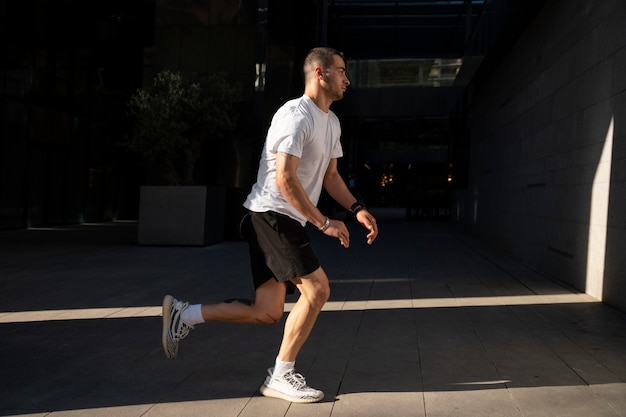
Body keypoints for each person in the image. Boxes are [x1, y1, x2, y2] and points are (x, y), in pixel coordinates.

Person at [161, 46, 378, 404]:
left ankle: (185, 314)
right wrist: (324, 223)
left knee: (267, 313)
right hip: (271, 215)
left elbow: (331, 176)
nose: (347, 79)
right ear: (320, 74)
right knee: (318, 289)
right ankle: (281, 374)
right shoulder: (295, 115)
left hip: (283, 218)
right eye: (341, 71)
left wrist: (356, 208)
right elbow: (285, 180)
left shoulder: (331, 121)